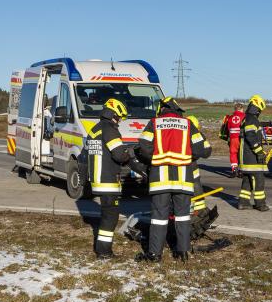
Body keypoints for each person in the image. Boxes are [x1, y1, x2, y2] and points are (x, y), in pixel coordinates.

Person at [137, 97, 208, 262]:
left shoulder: (154, 123)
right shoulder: (188, 124)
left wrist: (154, 159)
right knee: (183, 216)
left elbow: (144, 146)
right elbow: (200, 148)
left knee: (159, 217)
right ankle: (182, 252)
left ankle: (155, 254)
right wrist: (185, 158)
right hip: (183, 178)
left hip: (160, 179)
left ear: (162, 108)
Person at [86, 98, 146, 259]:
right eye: (119, 117)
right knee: (110, 216)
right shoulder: (110, 129)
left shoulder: (96, 128)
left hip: (97, 178)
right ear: (113, 113)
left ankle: (102, 249)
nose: (119, 121)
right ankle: (104, 251)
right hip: (107, 180)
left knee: (107, 214)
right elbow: (119, 154)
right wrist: (131, 152)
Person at [238, 95, 270, 211]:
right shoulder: (251, 119)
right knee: (258, 179)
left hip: (245, 156)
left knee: (247, 180)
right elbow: (251, 136)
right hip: (251, 156)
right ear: (257, 108)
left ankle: (243, 202)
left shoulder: (247, 118)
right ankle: (260, 204)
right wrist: (259, 152)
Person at [186, 115, 212, 217]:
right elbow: (207, 151)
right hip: (192, 166)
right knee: (196, 187)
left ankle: (190, 211)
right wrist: (195, 154)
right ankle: (199, 211)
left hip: (179, 167)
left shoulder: (177, 133)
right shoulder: (198, 134)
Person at [226, 103, 245, 177]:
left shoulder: (230, 117)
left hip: (233, 138)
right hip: (242, 138)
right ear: (241, 109)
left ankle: (234, 170)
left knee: (233, 153)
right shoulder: (244, 116)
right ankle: (241, 170)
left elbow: (228, 128)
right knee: (242, 154)